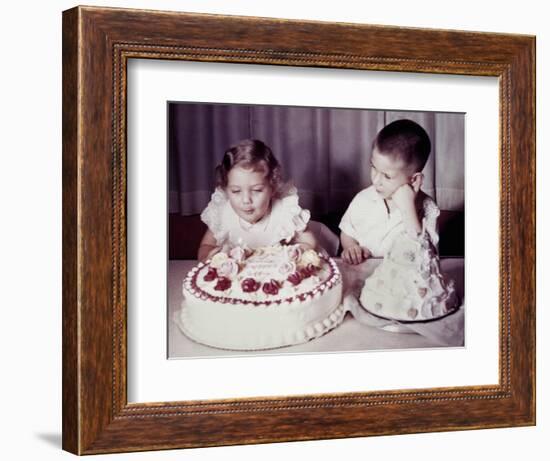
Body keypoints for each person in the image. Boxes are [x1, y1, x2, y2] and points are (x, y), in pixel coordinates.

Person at [339, 119, 440, 264]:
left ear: (414, 180)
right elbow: (347, 232)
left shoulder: (428, 208)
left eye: (387, 176)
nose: (376, 181)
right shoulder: (363, 198)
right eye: (373, 167)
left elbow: (427, 261)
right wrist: (351, 247)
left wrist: (408, 210)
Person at [198, 139, 317, 261]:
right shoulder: (223, 214)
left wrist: (300, 250)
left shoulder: (285, 211)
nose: (246, 200)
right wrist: (210, 257)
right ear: (226, 189)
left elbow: (309, 242)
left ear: (273, 187)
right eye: (236, 191)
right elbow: (206, 246)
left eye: (257, 190)